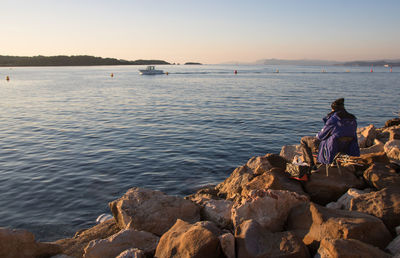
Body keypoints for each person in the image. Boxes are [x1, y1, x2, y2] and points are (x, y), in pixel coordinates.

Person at [300, 98, 360, 171]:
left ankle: (311, 165)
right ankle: (333, 160)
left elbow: (320, 136)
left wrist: (317, 135)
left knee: (304, 140)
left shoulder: (334, 119)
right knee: (333, 138)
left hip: (333, 147)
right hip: (347, 147)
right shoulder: (352, 119)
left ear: (333, 109)